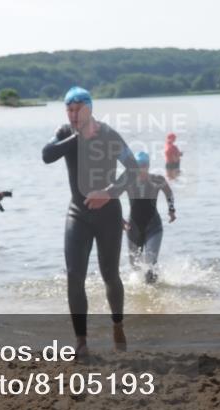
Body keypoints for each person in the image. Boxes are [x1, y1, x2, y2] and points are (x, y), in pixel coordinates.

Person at [42, 86, 137, 356]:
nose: (73, 114)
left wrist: (109, 193)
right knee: (74, 275)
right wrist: (76, 138)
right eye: (69, 110)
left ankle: (117, 324)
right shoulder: (64, 133)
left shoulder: (107, 134)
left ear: (90, 109)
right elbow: (47, 155)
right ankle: (81, 341)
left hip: (108, 213)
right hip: (78, 213)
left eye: (78, 109)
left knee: (110, 275)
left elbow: (133, 170)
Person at [110, 151, 176, 284]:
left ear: (148, 165)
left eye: (145, 165)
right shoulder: (127, 181)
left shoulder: (158, 179)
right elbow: (112, 197)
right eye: (139, 165)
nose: (142, 168)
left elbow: (168, 192)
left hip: (154, 227)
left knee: (149, 264)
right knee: (135, 267)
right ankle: (144, 295)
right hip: (133, 228)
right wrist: (119, 218)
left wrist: (171, 210)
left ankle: (154, 295)